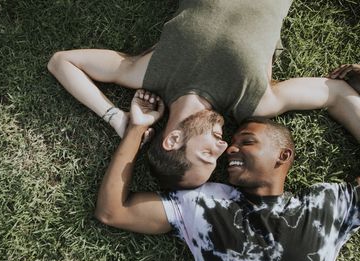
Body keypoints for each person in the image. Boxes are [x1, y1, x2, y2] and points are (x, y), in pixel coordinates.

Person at [48, 0, 360, 189]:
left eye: (207, 154)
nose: (224, 146)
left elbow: (62, 61)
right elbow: (335, 94)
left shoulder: (146, 73)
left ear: (173, 140)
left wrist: (118, 120)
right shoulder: (255, 101)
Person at [95, 91, 360, 261]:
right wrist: (136, 129)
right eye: (231, 144)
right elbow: (112, 211)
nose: (230, 149)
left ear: (283, 155)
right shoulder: (204, 202)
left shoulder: (325, 205)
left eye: (246, 142)